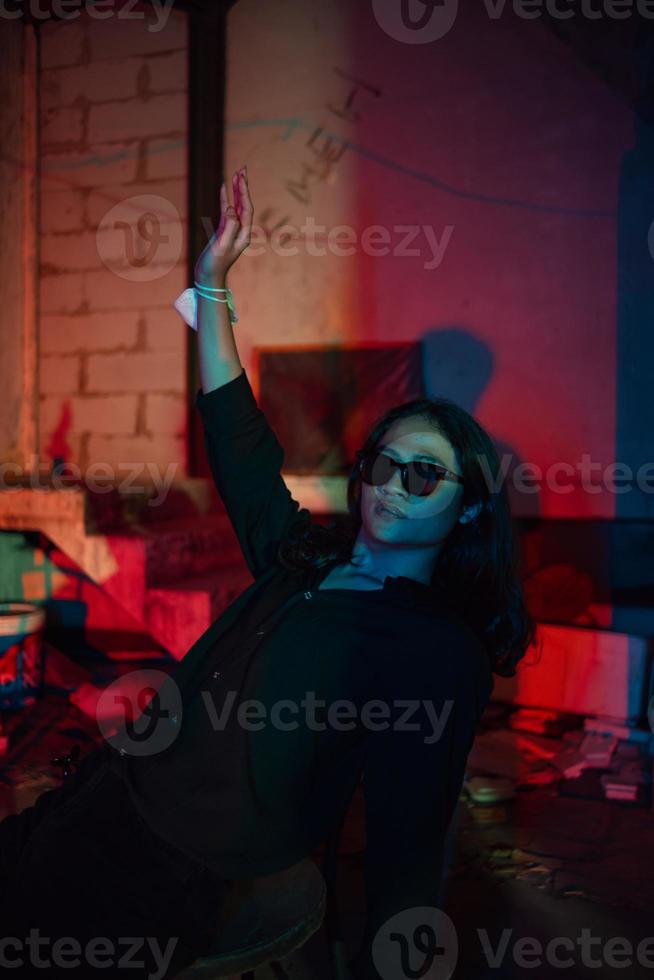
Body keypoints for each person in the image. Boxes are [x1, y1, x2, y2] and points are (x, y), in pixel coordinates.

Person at [0, 168, 536, 980]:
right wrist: (212, 285)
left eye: (424, 476)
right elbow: (239, 437)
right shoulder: (306, 555)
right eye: (383, 464)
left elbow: (408, 834)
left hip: (173, 872)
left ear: (468, 510)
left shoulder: (433, 648)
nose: (392, 485)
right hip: (109, 796)